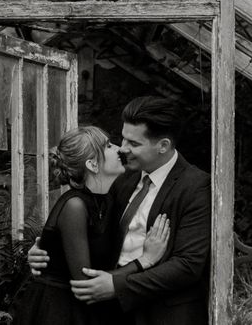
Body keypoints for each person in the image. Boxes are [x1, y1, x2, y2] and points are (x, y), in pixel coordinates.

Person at [28, 96, 211, 325]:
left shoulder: (196, 186)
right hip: (108, 312)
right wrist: (47, 252)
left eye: (134, 144)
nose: (123, 149)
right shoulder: (121, 179)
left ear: (163, 146)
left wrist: (117, 286)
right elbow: (92, 234)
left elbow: (188, 265)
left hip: (164, 314)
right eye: (122, 139)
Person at [14, 125, 171, 325]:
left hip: (85, 311)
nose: (119, 149)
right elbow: (85, 284)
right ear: (93, 164)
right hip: (57, 312)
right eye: (108, 146)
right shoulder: (75, 206)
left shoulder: (108, 199)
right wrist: (145, 260)